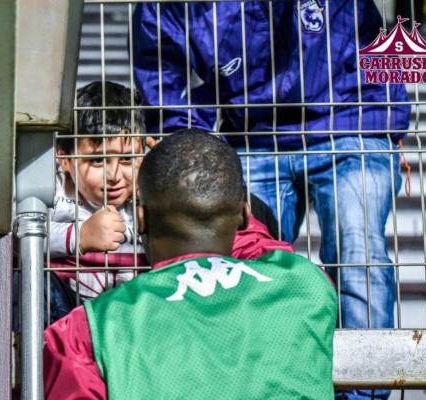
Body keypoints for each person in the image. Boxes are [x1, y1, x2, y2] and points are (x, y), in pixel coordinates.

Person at [132, 3, 410, 399]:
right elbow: (161, 60)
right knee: (237, 262)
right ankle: (247, 384)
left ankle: (366, 393)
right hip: (254, 130)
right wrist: (186, 146)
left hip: (352, 119)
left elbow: (377, 35)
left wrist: (389, 119)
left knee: (357, 250)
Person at [43, 129, 338, 399]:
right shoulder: (308, 285)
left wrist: (166, 175)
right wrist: (197, 176)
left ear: (141, 219)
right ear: (244, 215)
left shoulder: (90, 328)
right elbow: (260, 243)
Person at [47, 81, 292, 309]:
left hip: (143, 307)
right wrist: (78, 236)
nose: (114, 175)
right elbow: (20, 238)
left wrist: (164, 177)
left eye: (127, 158)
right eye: (97, 161)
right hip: (68, 307)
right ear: (65, 158)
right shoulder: (54, 191)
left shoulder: (148, 191)